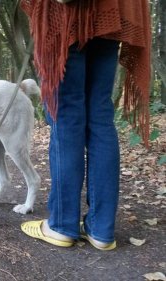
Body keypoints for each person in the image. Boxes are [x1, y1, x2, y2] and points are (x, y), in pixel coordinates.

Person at [19, 0, 151, 250]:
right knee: (101, 115)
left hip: (67, 14)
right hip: (114, 12)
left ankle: (61, 225)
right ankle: (102, 231)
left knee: (67, 114)